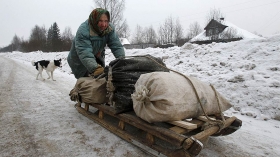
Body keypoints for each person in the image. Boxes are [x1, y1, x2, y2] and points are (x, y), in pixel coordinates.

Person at [67, 8, 125, 79]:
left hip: (96, 57)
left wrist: (122, 60)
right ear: (94, 20)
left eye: (106, 21)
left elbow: (116, 45)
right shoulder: (83, 30)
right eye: (100, 21)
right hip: (80, 60)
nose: (104, 24)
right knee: (86, 84)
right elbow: (85, 52)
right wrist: (95, 68)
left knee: (101, 80)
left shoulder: (109, 28)